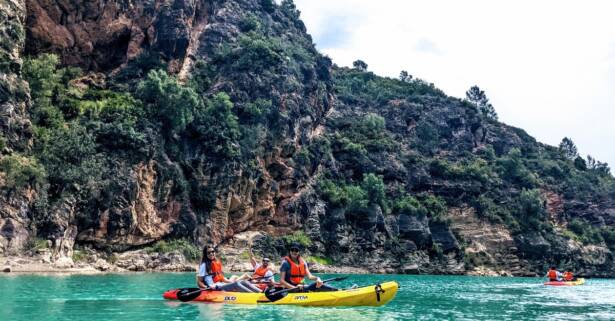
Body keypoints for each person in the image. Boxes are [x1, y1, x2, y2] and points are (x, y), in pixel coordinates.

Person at [197, 245, 261, 293]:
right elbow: (199, 281)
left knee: (243, 281)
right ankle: (253, 296)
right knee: (236, 284)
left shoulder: (216, 262)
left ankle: (261, 292)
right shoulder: (204, 265)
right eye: (208, 253)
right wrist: (206, 287)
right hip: (214, 287)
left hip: (221, 284)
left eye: (212, 251)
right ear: (206, 254)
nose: (211, 253)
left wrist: (230, 282)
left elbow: (221, 278)